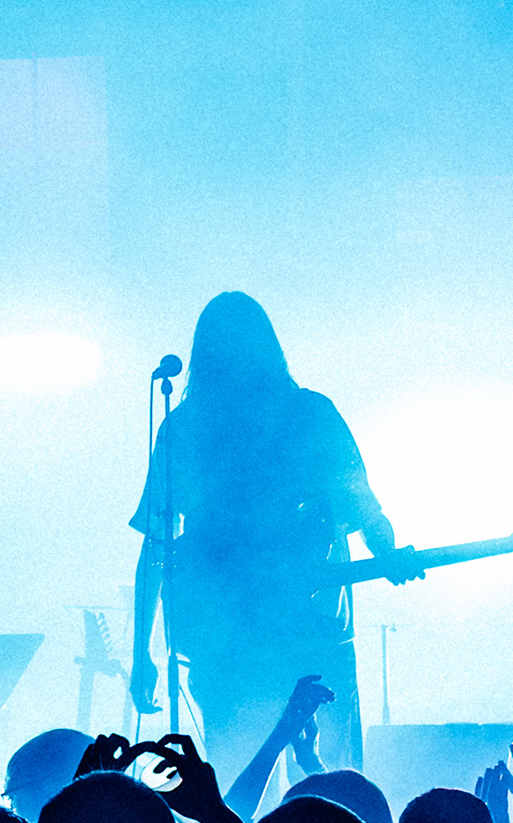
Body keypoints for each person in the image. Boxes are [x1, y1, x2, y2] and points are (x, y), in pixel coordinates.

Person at [125, 291, 409, 773]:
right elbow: (363, 510)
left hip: (228, 646)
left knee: (238, 787)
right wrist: (391, 554)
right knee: (330, 791)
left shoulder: (185, 428)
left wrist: (142, 654)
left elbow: (156, 547)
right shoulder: (310, 414)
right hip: (309, 636)